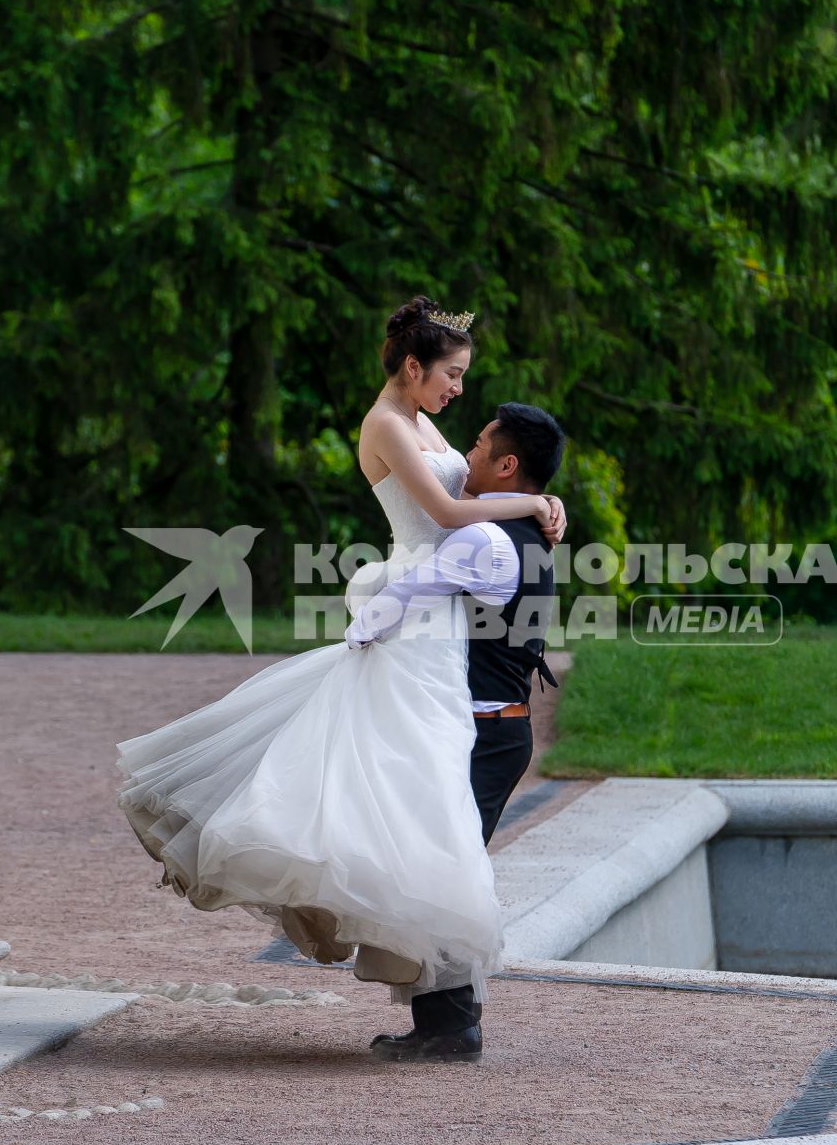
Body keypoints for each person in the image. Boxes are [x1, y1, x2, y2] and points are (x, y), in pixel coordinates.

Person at [115, 296, 565, 1047]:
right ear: (414, 366)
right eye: (451, 374)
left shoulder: (422, 420)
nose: (458, 390)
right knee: (406, 793)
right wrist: (540, 499)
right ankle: (446, 1011)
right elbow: (452, 514)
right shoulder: (386, 424)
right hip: (418, 621)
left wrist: (531, 503)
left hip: (440, 624)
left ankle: (447, 1008)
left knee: (420, 801)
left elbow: (468, 495)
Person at [345, 401, 565, 1062]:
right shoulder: (526, 533)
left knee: (440, 874)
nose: (465, 457)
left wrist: (355, 636)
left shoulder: (481, 539)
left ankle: (450, 1026)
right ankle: (445, 1020)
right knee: (445, 868)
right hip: (503, 730)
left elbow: (406, 593)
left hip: (482, 733)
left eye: (477, 446)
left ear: (506, 464)